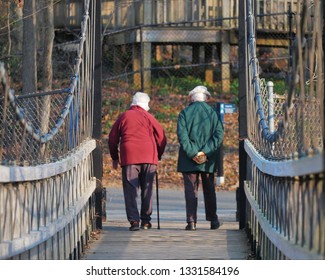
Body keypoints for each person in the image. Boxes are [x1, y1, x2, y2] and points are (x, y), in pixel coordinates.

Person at [108, 92, 167, 231]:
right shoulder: (149, 117)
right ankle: (146, 221)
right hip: (149, 155)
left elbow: (112, 139)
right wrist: (158, 154)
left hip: (130, 156)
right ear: (146, 105)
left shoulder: (124, 116)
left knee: (130, 189)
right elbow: (162, 137)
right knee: (147, 189)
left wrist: (115, 157)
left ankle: (134, 221)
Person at [176, 85, 224, 230]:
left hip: (188, 159)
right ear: (206, 98)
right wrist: (205, 153)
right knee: (209, 190)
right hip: (207, 160)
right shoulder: (212, 113)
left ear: (192, 98)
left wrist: (193, 153)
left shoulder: (184, 113)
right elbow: (219, 135)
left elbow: (182, 136)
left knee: (191, 189)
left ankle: (191, 221)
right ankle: (213, 220)